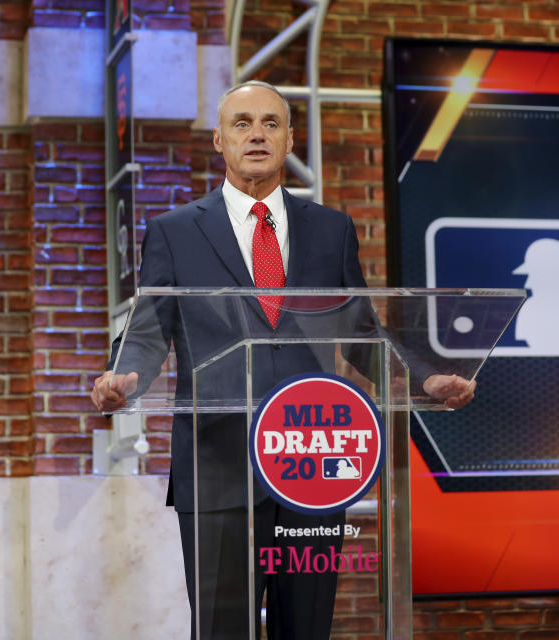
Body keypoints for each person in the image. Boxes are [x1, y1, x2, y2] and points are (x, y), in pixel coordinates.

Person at [90, 81, 474, 639]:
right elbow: (150, 330)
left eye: (271, 123)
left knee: (307, 627)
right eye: (242, 123)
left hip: (310, 467)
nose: (256, 134)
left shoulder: (331, 229)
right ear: (219, 140)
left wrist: (425, 376)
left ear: (290, 138)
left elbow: (362, 328)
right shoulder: (173, 233)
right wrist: (124, 376)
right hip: (217, 470)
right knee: (224, 629)